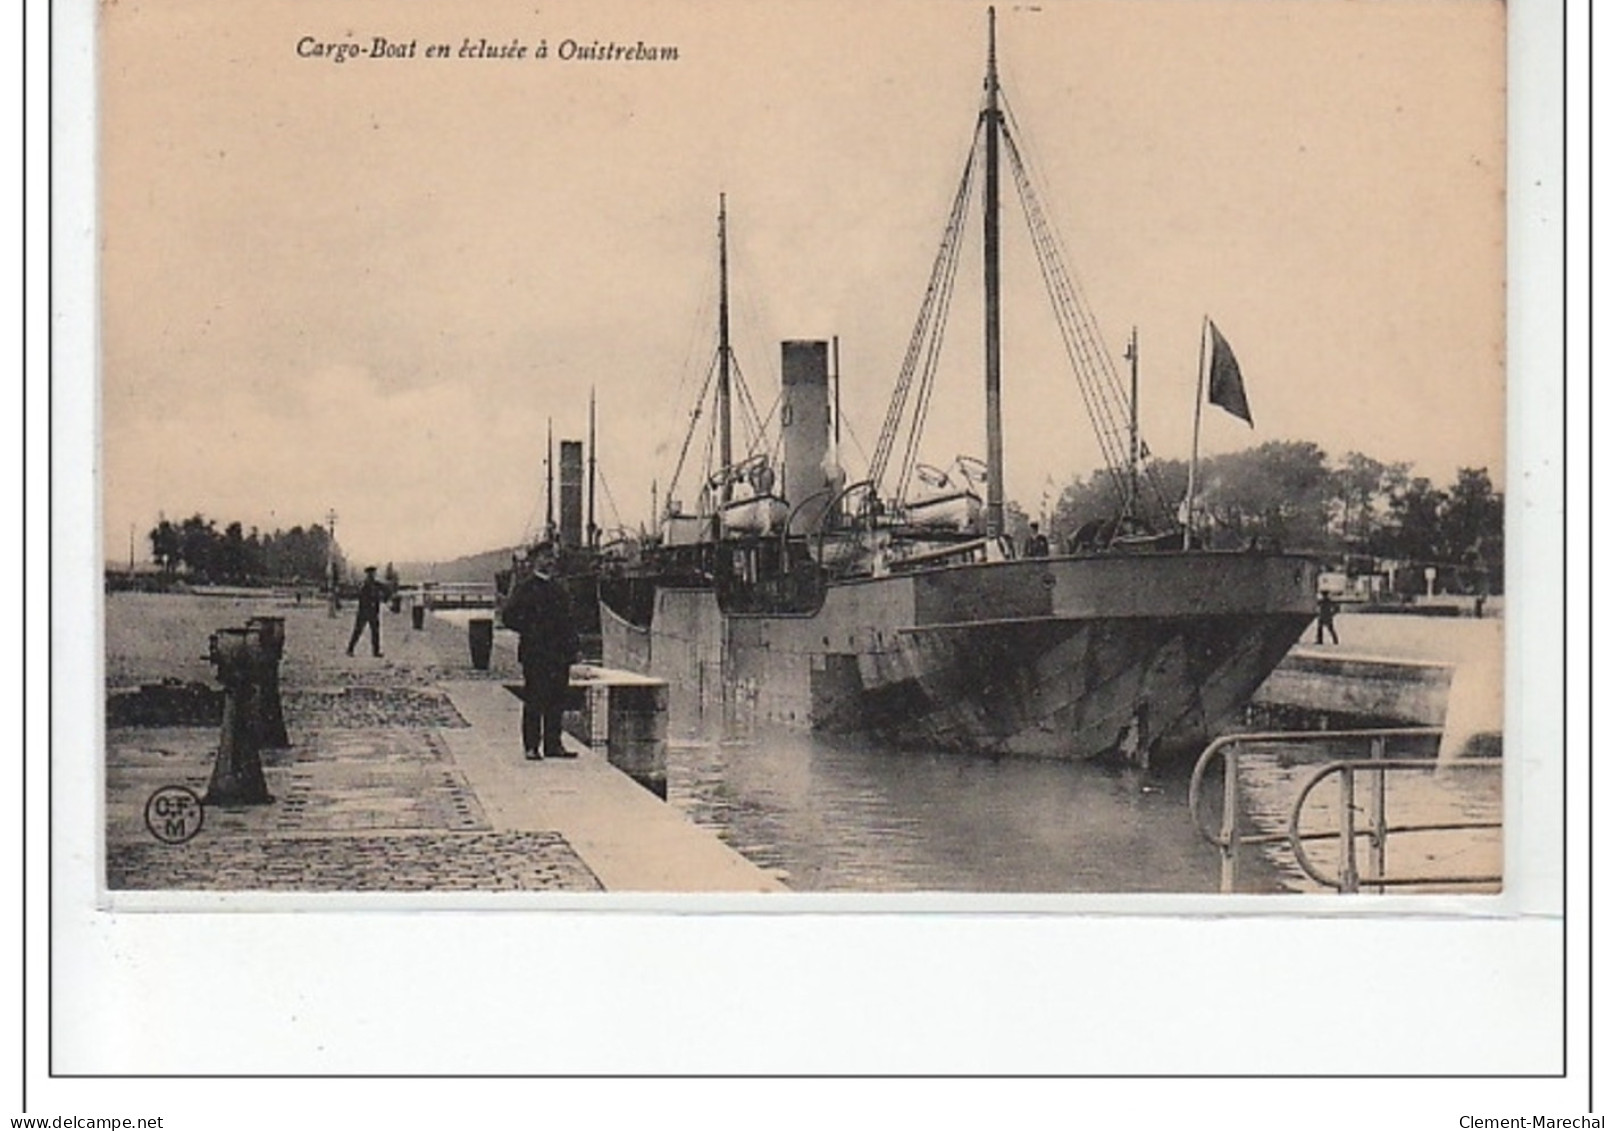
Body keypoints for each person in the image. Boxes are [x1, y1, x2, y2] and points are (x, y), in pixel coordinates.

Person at [501, 552, 581, 760]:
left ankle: (553, 744)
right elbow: (508, 616)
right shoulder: (525, 588)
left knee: (557, 699)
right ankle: (531, 746)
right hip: (535, 652)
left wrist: (574, 649)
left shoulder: (559, 589)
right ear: (536, 561)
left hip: (559, 654)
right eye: (545, 558)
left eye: (551, 558)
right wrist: (530, 629)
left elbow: (569, 622)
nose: (549, 561)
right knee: (535, 698)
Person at [345, 566, 386, 657]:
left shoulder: (375, 585)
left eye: (373, 573)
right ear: (368, 574)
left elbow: (384, 589)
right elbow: (363, 598)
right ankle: (350, 649)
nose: (373, 575)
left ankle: (376, 651)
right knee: (358, 631)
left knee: (375, 632)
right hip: (364, 612)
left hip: (373, 612)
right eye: (371, 574)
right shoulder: (365, 586)